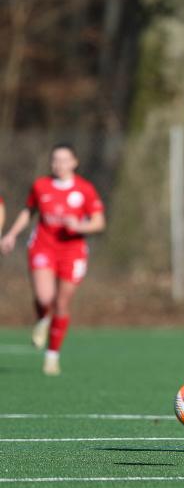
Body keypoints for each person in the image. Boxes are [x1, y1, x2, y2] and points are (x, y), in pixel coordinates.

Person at [0, 144, 106, 376]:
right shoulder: (41, 185)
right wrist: (11, 234)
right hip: (43, 247)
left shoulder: (85, 190)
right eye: (55, 160)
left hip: (73, 251)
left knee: (62, 303)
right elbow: (29, 211)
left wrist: (80, 225)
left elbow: (99, 222)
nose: (59, 164)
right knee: (44, 296)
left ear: (75, 162)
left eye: (64, 160)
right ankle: (41, 320)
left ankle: (52, 356)